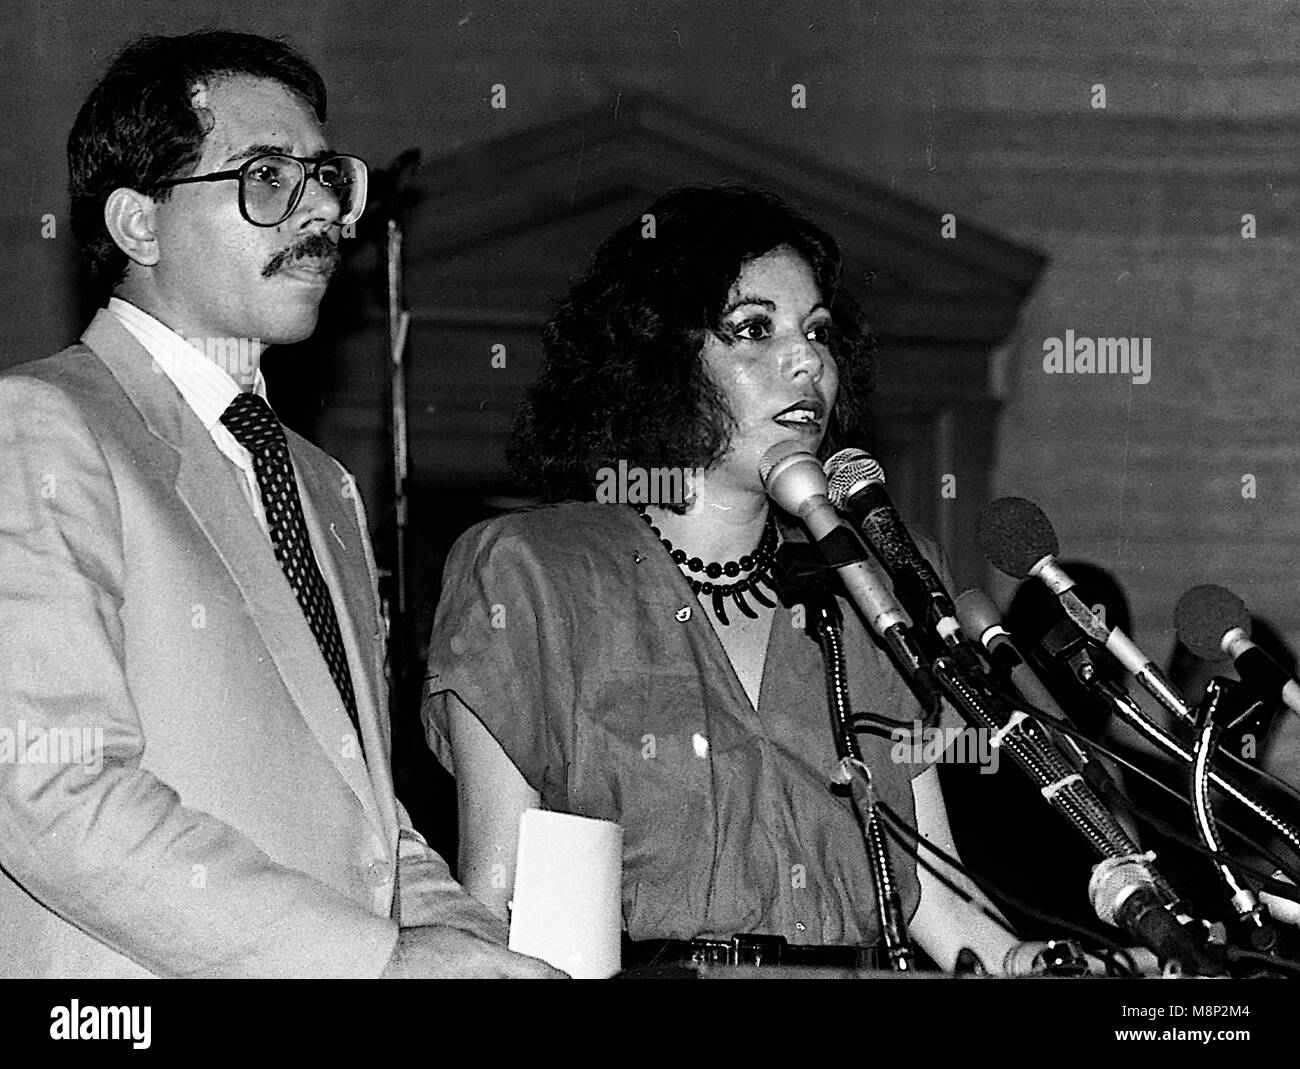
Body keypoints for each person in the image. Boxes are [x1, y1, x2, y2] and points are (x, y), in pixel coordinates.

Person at [0, 30, 559, 978]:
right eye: (266, 175)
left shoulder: (320, 482)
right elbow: (49, 787)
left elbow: (365, 820)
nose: (324, 215)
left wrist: (477, 947)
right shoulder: (41, 428)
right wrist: (374, 960)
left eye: (326, 176)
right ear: (139, 225)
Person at [422, 186, 1033, 972]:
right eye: (754, 329)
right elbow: (496, 898)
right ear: (660, 359)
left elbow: (936, 894)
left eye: (818, 331)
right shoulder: (534, 573)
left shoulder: (874, 576)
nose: (808, 358)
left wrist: (1053, 968)